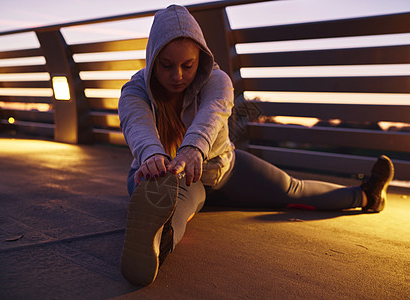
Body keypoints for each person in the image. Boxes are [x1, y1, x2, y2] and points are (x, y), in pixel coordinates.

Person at [118, 5, 394, 286]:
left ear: (199, 58)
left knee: (292, 188)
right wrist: (152, 154)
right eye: (166, 65)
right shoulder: (135, 89)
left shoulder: (217, 79)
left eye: (187, 65)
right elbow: (135, 123)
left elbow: (214, 113)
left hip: (220, 168)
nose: (177, 75)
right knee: (171, 207)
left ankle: (366, 195)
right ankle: (152, 248)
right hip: (164, 176)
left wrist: (193, 149)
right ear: (152, 59)